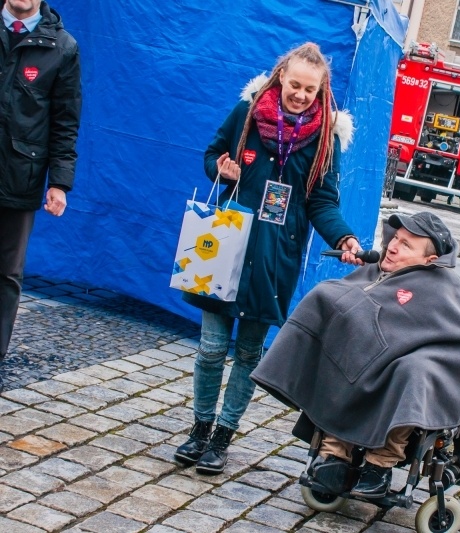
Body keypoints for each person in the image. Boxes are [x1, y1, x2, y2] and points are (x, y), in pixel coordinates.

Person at [174, 42, 362, 475]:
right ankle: (199, 429)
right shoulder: (247, 112)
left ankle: (222, 437)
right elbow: (212, 154)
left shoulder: (325, 139)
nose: (301, 95)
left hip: (275, 256)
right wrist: (221, 169)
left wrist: (345, 236)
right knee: (210, 348)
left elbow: (322, 202)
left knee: (248, 353)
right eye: (295, 85)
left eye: (310, 90)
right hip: (226, 244)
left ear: (321, 91)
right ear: (281, 77)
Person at [251, 211, 460, 499]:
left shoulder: (444, 289)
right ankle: (334, 453)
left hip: (409, 363)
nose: (393, 247)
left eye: (406, 245)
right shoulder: (376, 270)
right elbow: (344, 296)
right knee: (345, 338)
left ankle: (380, 464)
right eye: (395, 238)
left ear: (430, 260)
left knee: (413, 373)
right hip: (366, 358)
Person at [0, 0, 81, 392]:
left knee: (6, 274)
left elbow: (65, 121)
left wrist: (59, 183)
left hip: (19, 176)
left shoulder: (62, 47)